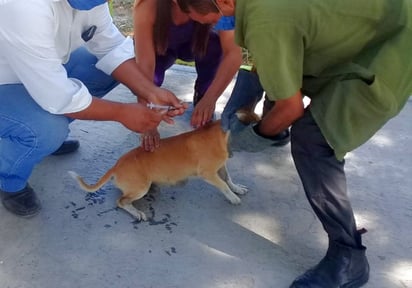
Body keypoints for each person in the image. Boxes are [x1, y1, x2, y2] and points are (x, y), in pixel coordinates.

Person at [175, 0, 412, 287]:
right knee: (283, 74)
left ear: (224, 2)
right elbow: (278, 49)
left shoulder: (266, 22)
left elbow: (291, 108)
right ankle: (278, 131)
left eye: (201, 18)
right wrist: (247, 94)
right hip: (373, 26)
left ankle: (348, 256)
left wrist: (257, 136)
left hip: (394, 46)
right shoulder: (260, 12)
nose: (203, 25)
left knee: (313, 139)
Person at [0, 0, 187, 218]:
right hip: (5, 80)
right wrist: (122, 113)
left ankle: (39, 140)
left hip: (36, 69)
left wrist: (150, 91)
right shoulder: (23, 6)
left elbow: (111, 46)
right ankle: (10, 178)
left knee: (101, 70)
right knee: (47, 129)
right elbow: (57, 96)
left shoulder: (91, 2)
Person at [133, 0, 242, 151]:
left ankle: (201, 95)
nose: (220, 21)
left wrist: (210, 98)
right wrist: (147, 116)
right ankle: (152, 102)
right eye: (214, 19)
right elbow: (145, 65)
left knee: (216, 45)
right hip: (161, 49)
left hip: (196, 45)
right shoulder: (148, 6)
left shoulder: (219, 4)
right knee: (149, 81)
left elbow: (234, 53)